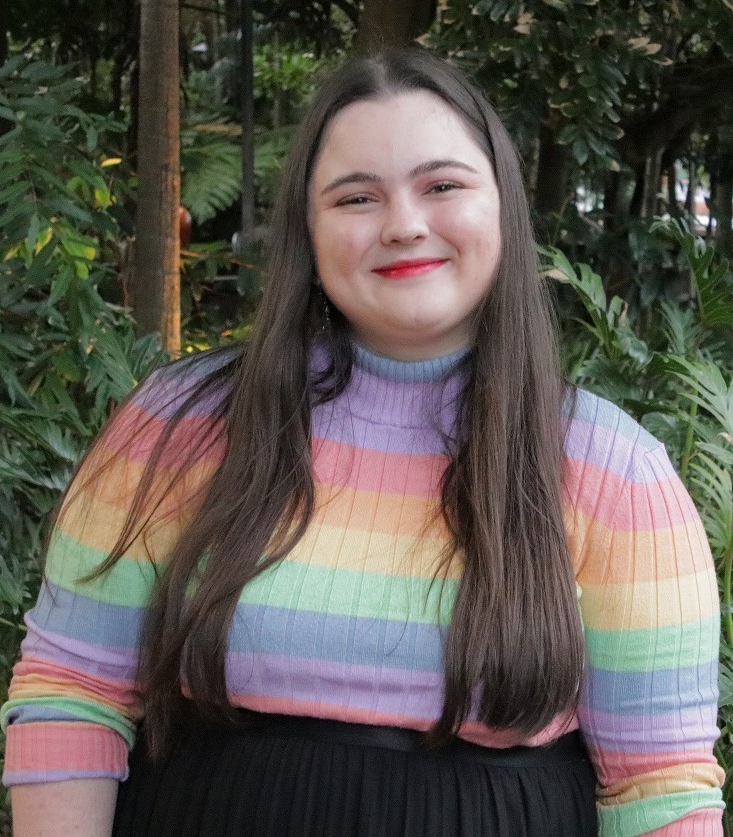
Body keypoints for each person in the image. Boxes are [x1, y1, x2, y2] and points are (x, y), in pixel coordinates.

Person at [2, 49, 725, 837]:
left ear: (503, 212)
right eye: (356, 197)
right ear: (307, 236)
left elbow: (659, 787)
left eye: (442, 185)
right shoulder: (180, 423)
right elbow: (74, 688)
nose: (403, 223)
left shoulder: (614, 469)